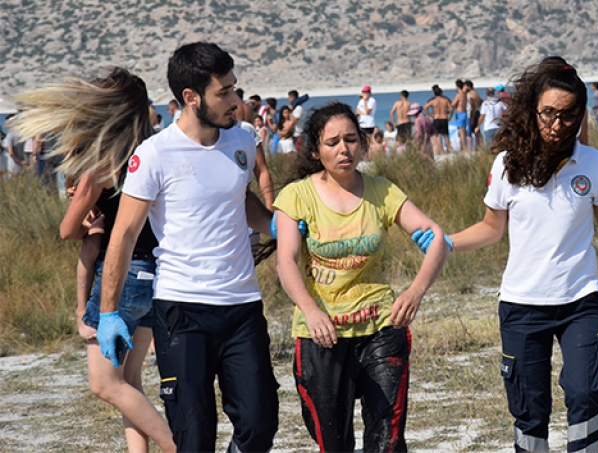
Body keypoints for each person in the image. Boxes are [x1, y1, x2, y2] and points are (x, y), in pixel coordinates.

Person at [414, 58, 598, 453]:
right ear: (532, 110)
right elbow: (491, 228)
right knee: (530, 411)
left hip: (582, 301)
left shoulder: (592, 163)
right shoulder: (506, 165)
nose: (557, 124)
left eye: (568, 115)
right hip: (522, 305)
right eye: (549, 114)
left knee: (584, 395)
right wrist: (449, 241)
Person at [97, 42, 280, 451]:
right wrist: (109, 312)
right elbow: (123, 236)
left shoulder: (242, 142)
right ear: (191, 98)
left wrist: (277, 226)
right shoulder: (154, 154)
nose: (235, 101)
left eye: (235, 88)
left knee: (260, 423)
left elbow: (241, 200)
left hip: (242, 306)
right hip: (183, 312)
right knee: (193, 437)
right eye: (224, 92)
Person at [10, 67, 176, 453]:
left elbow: (68, 231)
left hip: (122, 278)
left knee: (105, 383)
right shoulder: (152, 152)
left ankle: (181, 448)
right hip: (157, 273)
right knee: (129, 382)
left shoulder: (103, 163)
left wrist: (90, 220)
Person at [273, 101, 449, 453]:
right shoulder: (296, 196)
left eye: (351, 140)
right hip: (321, 335)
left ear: (363, 143)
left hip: (381, 328)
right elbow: (287, 262)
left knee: (386, 440)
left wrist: (415, 292)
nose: (344, 149)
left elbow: (437, 239)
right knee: (333, 442)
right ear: (315, 149)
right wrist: (310, 309)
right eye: (333, 142)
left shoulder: (382, 191)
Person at [424, 85, 453, 154]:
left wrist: (430, 115)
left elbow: (425, 107)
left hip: (436, 118)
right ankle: (448, 149)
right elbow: (451, 108)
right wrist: (450, 116)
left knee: (438, 135)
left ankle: (441, 151)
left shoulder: (433, 101)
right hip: (444, 118)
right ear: (441, 93)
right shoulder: (445, 100)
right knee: (446, 135)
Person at [465, 80, 483, 149]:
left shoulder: (471, 94)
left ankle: (470, 147)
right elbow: (481, 101)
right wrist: (478, 107)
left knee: (470, 132)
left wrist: (472, 116)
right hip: (476, 112)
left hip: (472, 113)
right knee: (477, 131)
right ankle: (479, 146)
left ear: (468, 87)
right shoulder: (476, 93)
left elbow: (473, 105)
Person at [452, 79, 469, 152]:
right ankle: (463, 147)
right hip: (464, 113)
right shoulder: (464, 94)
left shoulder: (459, 95)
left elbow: (453, 104)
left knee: (462, 132)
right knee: (463, 131)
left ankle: (464, 148)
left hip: (460, 114)